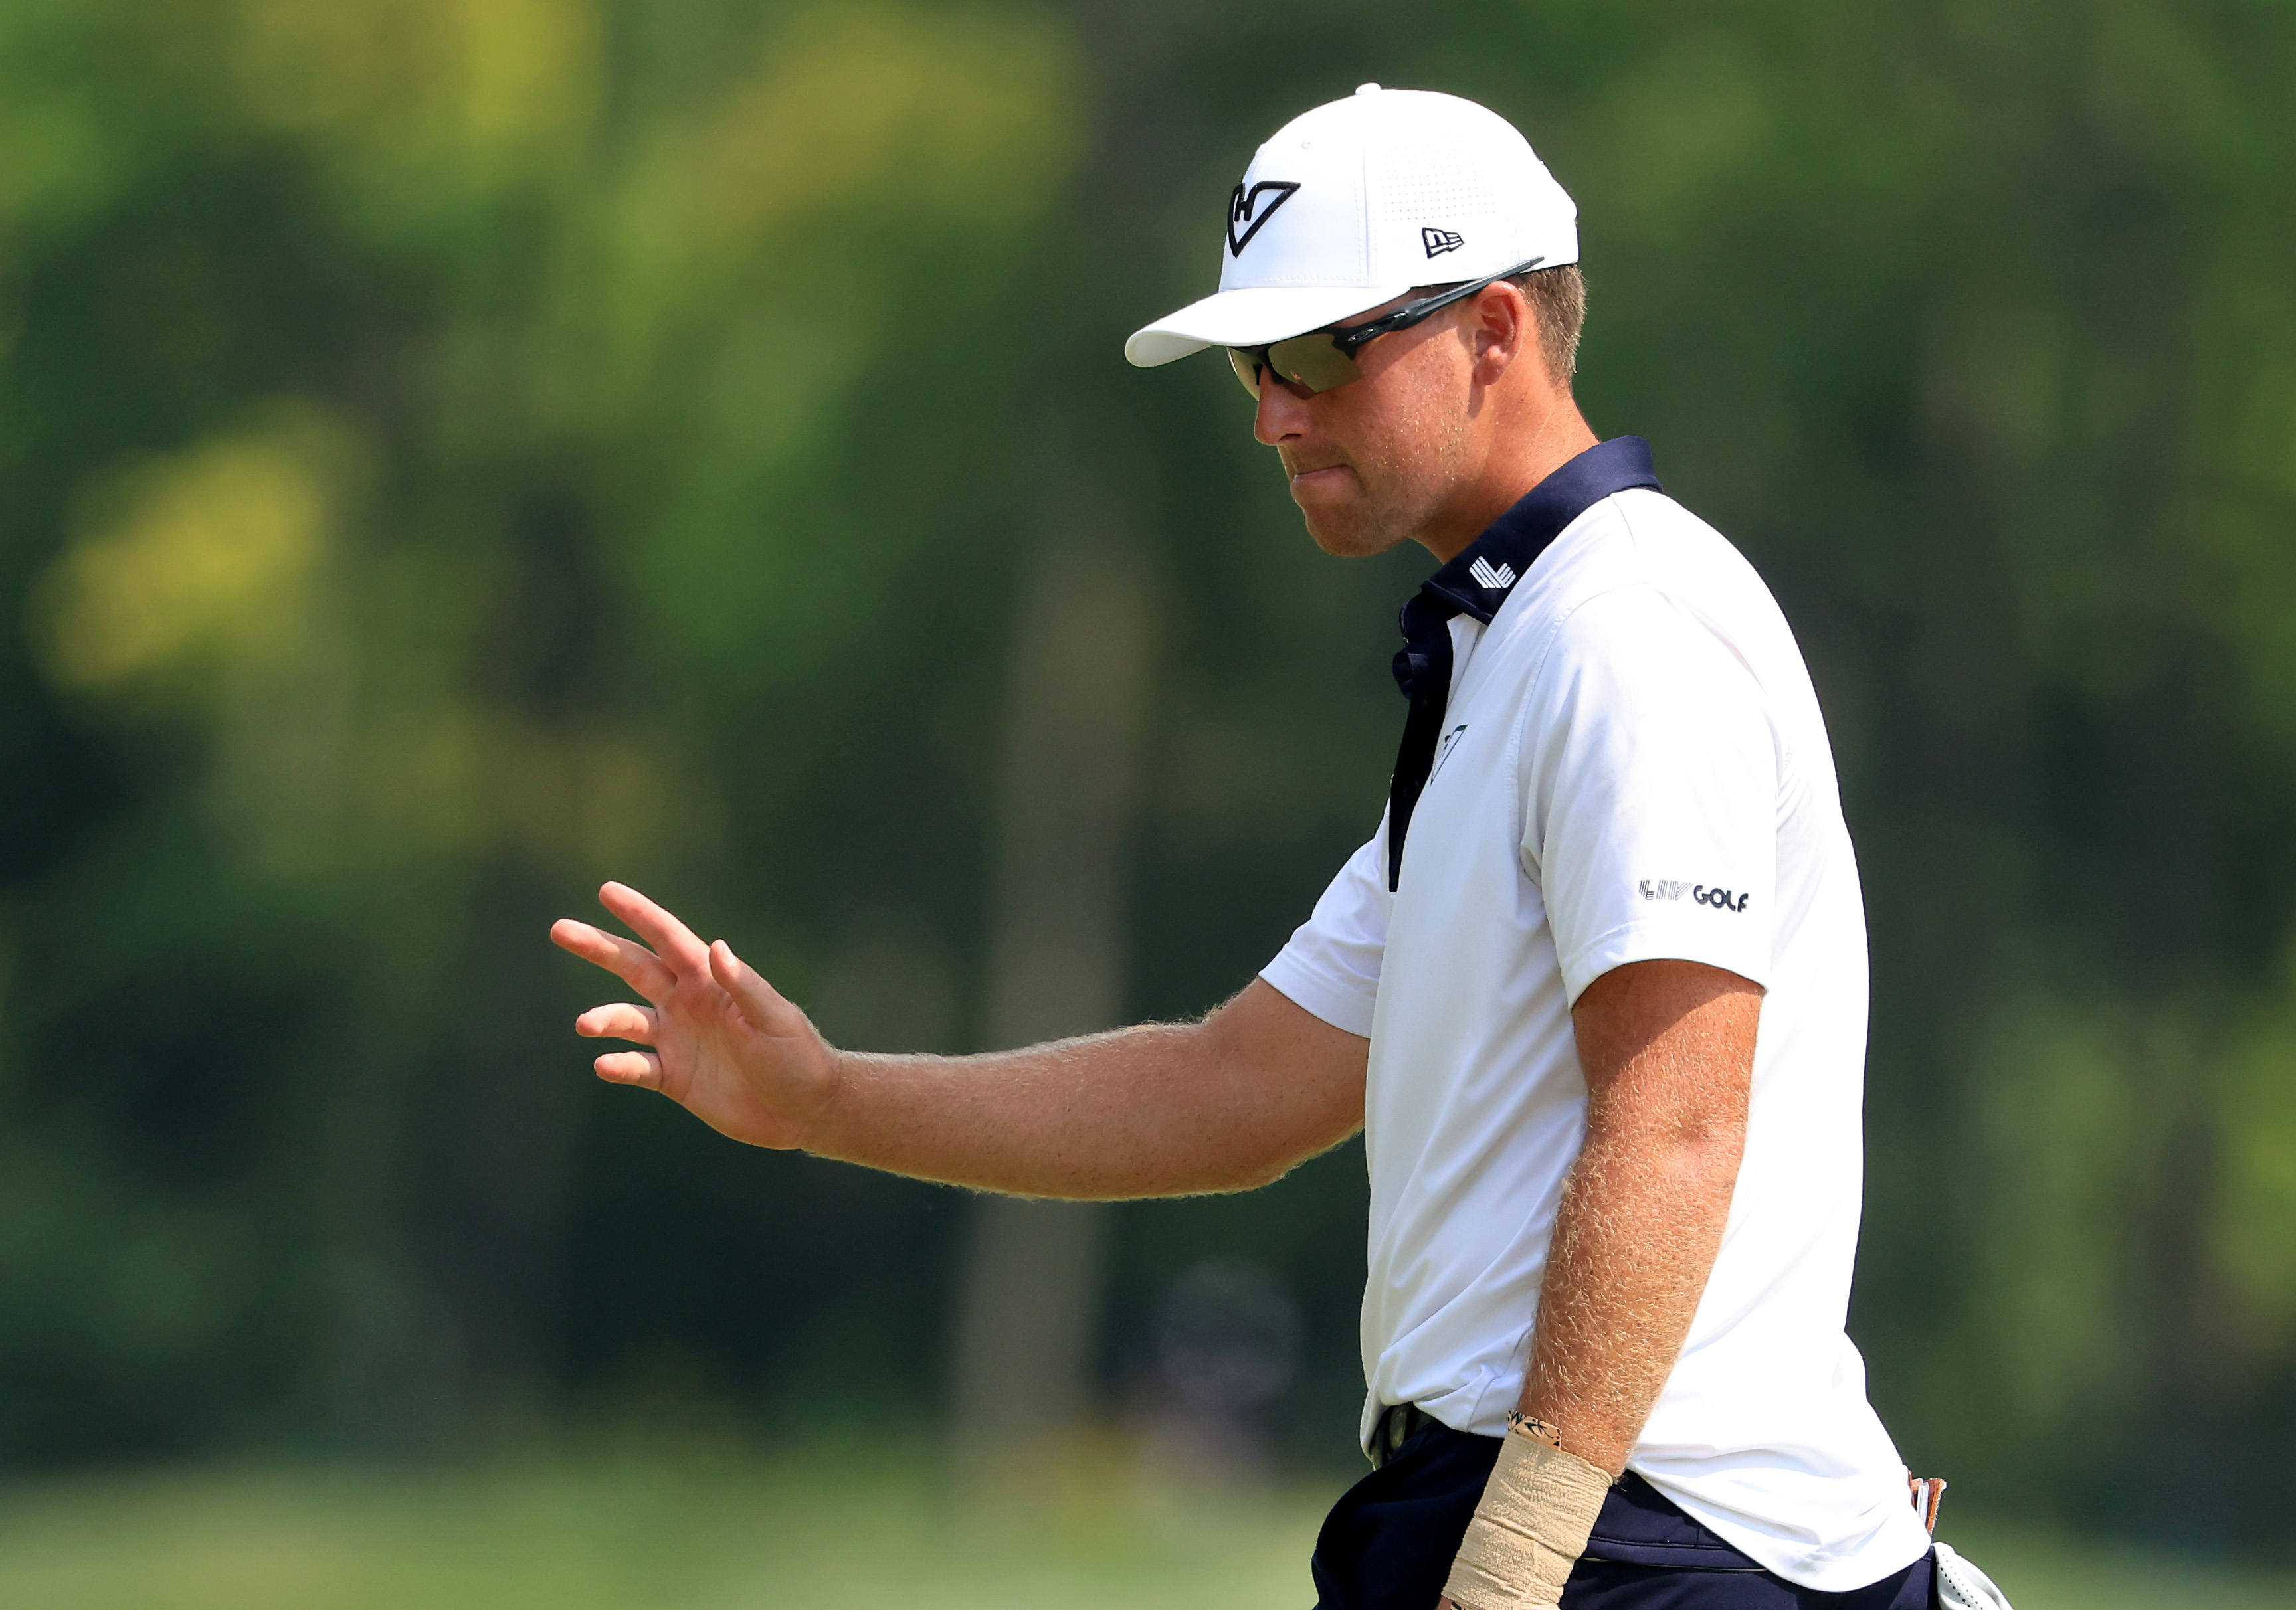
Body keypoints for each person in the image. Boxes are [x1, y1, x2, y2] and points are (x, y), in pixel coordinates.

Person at [555, 85, 1970, 1609]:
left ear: (1491, 331)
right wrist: (827, 1100)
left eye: (1314, 354)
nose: (1270, 412)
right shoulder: (1515, 645)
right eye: (1252, 362)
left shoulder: (1624, 632)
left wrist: (1513, 1561)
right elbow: (1240, 1086)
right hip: (1566, 1520)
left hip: (1636, 1535)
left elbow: (1674, 1122)